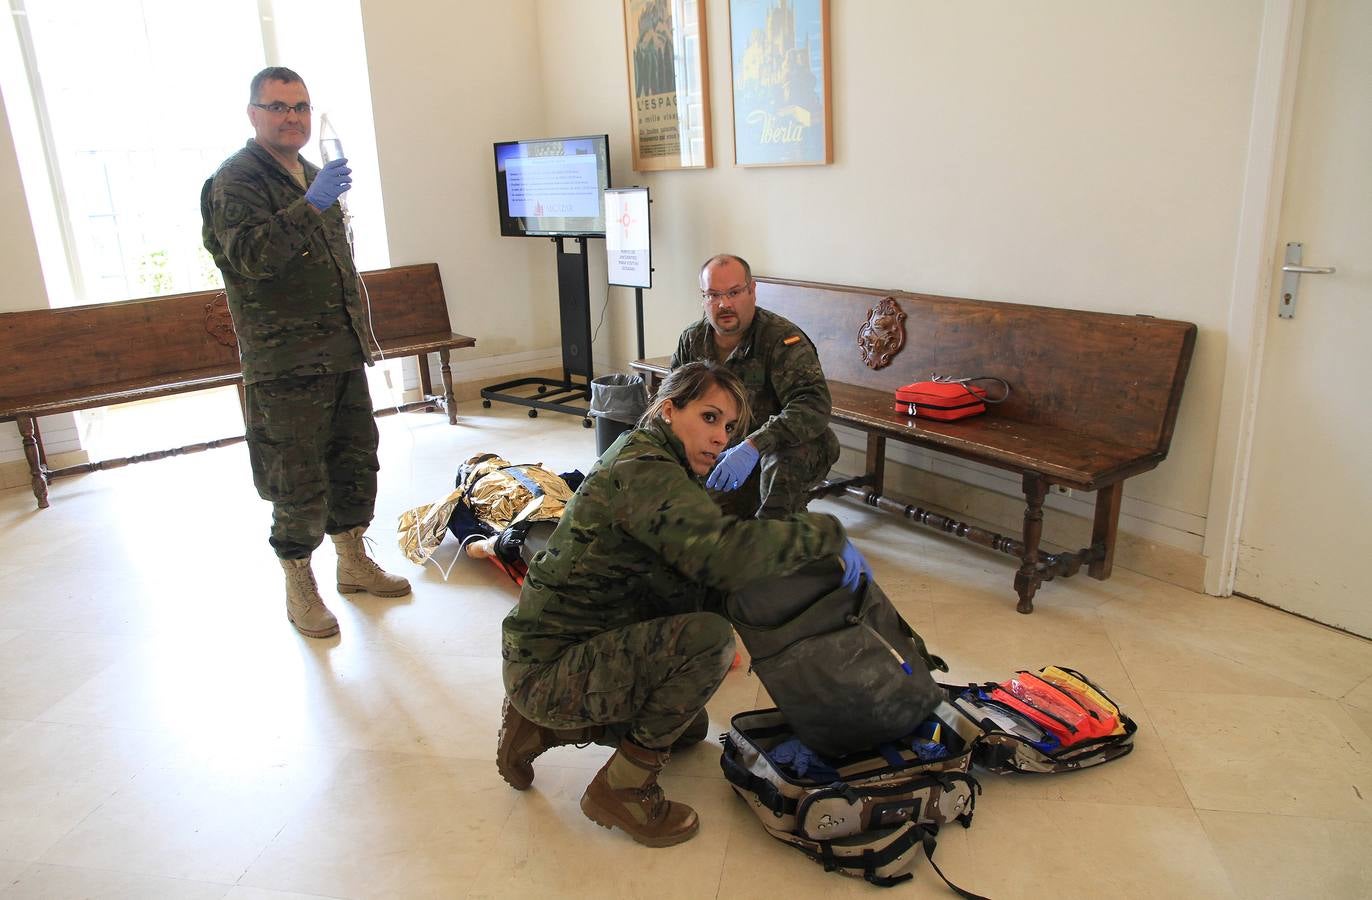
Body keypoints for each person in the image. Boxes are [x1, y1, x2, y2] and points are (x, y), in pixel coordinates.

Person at [497, 362, 871, 847]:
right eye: (710, 417)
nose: (721, 438)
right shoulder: (644, 471)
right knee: (708, 645)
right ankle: (622, 790)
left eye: (730, 427)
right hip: (548, 665)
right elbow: (723, 554)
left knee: (688, 728)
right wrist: (824, 533)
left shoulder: (658, 457)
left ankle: (538, 729)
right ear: (669, 409)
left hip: (566, 645)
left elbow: (696, 576)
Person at [201, 66, 409, 640]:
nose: (291, 117)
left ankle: (352, 562)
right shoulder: (235, 182)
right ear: (253, 115)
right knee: (295, 478)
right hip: (284, 361)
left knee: (353, 459)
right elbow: (251, 257)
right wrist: (311, 206)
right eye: (277, 107)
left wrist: (361, 335)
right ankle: (299, 583)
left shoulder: (315, 176)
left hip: (339, 351)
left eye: (299, 107)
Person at [670, 253, 841, 519]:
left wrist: (754, 445)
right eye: (713, 295)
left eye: (734, 292)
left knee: (780, 469)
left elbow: (813, 405)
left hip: (786, 445)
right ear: (703, 298)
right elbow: (673, 405)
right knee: (706, 523)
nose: (724, 304)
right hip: (723, 449)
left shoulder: (782, 340)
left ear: (752, 291)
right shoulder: (692, 340)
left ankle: (778, 530)